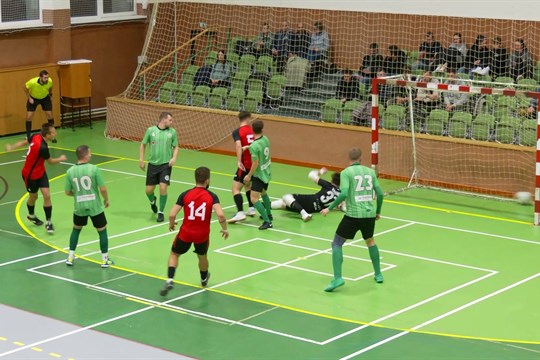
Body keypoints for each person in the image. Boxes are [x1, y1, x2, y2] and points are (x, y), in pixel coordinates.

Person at [320, 148, 384, 292]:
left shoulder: (346, 173)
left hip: (353, 215)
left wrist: (329, 208)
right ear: (361, 159)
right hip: (369, 214)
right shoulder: (370, 172)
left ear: (349, 159)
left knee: (337, 243)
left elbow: (343, 194)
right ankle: (378, 274)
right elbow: (380, 194)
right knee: (370, 241)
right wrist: (378, 211)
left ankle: (338, 278)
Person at [160, 166, 228, 296]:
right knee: (202, 256)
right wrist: (224, 229)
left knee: (174, 254)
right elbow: (221, 216)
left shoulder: (185, 194)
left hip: (186, 233)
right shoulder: (212, 196)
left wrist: (172, 223)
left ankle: (169, 279)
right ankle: (203, 279)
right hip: (202, 235)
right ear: (207, 180)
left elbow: (172, 214)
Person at [5, 123, 66, 233]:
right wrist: (60, 159)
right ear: (47, 135)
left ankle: (48, 222)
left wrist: (12, 146)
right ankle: (31, 215)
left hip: (41, 172)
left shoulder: (36, 135)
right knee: (33, 197)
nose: (55, 133)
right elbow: (51, 162)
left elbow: (25, 141)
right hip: (30, 176)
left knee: (47, 195)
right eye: (53, 132)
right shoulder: (42, 147)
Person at [64, 145, 113, 268]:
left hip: (79, 206)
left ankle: (70, 256)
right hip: (95, 205)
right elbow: (102, 188)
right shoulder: (94, 169)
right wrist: (106, 199)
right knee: (102, 231)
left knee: (76, 229)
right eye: (90, 153)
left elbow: (67, 192)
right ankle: (104, 259)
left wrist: (78, 194)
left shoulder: (70, 171)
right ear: (85, 155)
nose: (91, 155)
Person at [139, 112, 179, 223]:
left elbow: (176, 147)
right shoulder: (151, 130)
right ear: (163, 120)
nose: (172, 122)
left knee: (162, 187)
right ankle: (153, 202)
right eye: (170, 120)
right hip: (152, 164)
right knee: (148, 191)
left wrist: (174, 157)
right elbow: (143, 144)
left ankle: (161, 212)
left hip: (165, 165)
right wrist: (141, 160)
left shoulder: (172, 132)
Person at [271, 167, 341, 221]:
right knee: (283, 204)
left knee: (286, 197)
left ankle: (304, 214)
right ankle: (264, 207)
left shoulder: (328, 185)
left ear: (332, 180)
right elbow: (342, 207)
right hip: (314, 209)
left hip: (310, 200)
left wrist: (321, 171)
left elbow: (311, 175)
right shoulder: (340, 194)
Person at [243, 120, 273, 230]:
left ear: (252, 130)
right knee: (264, 193)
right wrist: (248, 147)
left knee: (254, 199)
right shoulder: (265, 139)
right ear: (262, 129)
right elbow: (259, 147)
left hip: (259, 175)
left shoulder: (254, 146)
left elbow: (255, 163)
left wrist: (249, 176)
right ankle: (269, 214)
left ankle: (267, 221)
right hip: (267, 172)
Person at [228, 111, 256, 223]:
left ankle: (240, 213)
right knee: (247, 185)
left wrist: (239, 160)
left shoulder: (237, 131)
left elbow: (238, 145)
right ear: (248, 119)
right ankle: (251, 208)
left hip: (244, 164)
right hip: (253, 163)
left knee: (235, 189)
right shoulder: (252, 131)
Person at [24, 70, 56, 143]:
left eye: (47, 77)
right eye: (45, 78)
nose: (46, 79)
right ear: (40, 77)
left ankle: (52, 135)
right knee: (29, 117)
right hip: (34, 98)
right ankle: (28, 136)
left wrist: (50, 95)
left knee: (49, 115)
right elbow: (25, 87)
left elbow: (50, 87)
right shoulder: (32, 82)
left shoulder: (50, 81)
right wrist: (29, 97)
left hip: (45, 98)